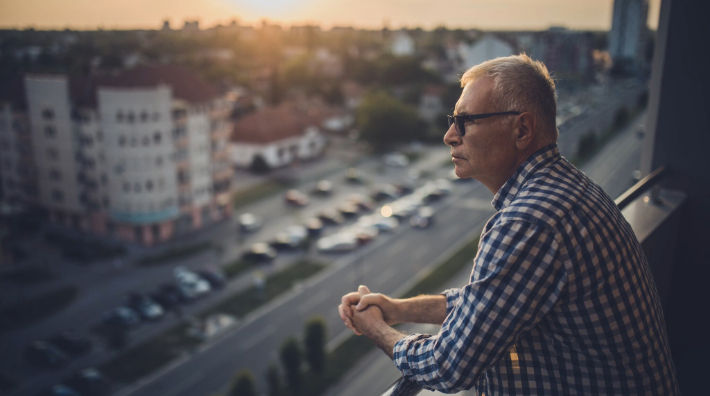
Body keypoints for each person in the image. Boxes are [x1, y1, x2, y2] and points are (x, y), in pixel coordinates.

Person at [338, 54, 679, 395]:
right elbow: (490, 302)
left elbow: (448, 366)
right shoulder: (567, 190)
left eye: (465, 121)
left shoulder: (530, 221)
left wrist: (377, 329)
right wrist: (397, 309)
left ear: (522, 129)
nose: (449, 136)